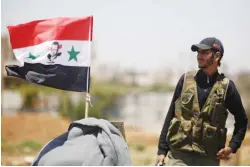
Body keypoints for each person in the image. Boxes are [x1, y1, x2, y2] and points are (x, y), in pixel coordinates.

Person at [156, 37, 248, 166]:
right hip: (179, 155)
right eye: (198, 52)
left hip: (208, 158)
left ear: (217, 56)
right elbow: (171, 114)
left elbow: (242, 120)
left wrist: (232, 146)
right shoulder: (185, 80)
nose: (199, 56)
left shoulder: (227, 87)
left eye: (204, 53)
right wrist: (162, 151)